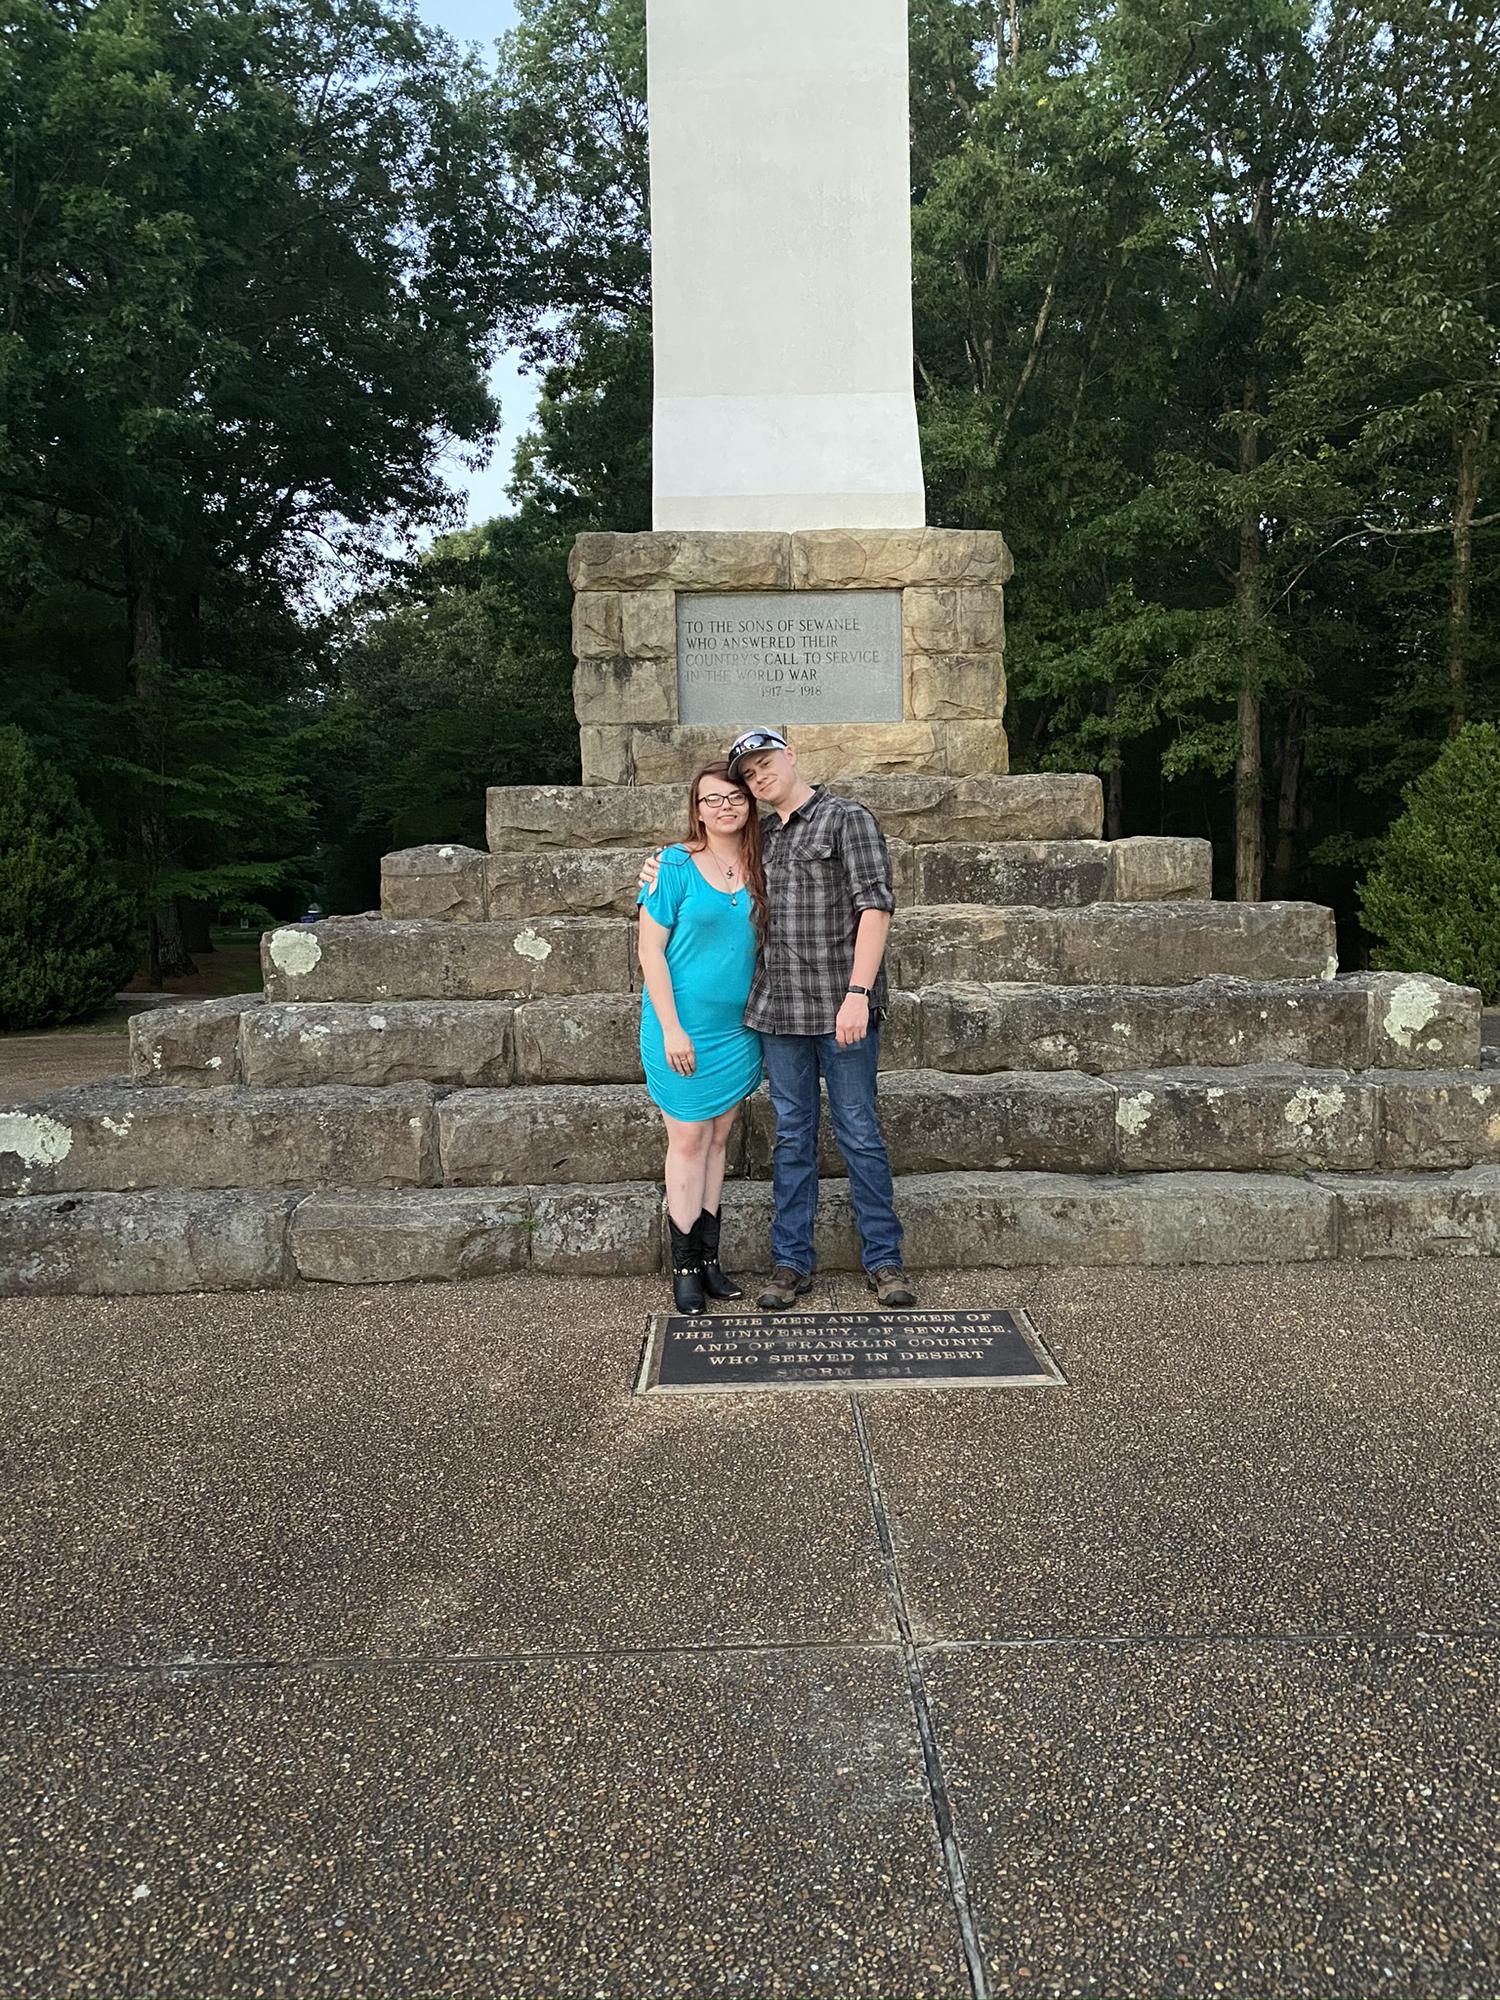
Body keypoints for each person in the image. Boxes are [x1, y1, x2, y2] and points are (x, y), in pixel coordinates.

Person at [642, 728, 916, 1311]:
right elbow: (695, 870)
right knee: (792, 1137)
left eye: (766, 764)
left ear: (789, 757)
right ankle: (791, 1262)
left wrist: (858, 994)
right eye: (749, 775)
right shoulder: (756, 839)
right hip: (778, 1012)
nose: (760, 778)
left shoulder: (847, 819)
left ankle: (884, 1261)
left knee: (859, 1132)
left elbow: (876, 905)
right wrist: (652, 872)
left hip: (843, 1006)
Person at [637, 762, 768, 1314]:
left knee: (718, 1142)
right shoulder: (672, 865)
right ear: (697, 809)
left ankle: (711, 1263)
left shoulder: (765, 863)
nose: (724, 807)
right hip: (682, 1029)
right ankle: (685, 1267)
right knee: (688, 1142)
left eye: (735, 797)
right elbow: (649, 951)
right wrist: (672, 1028)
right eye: (712, 800)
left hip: (739, 1031)